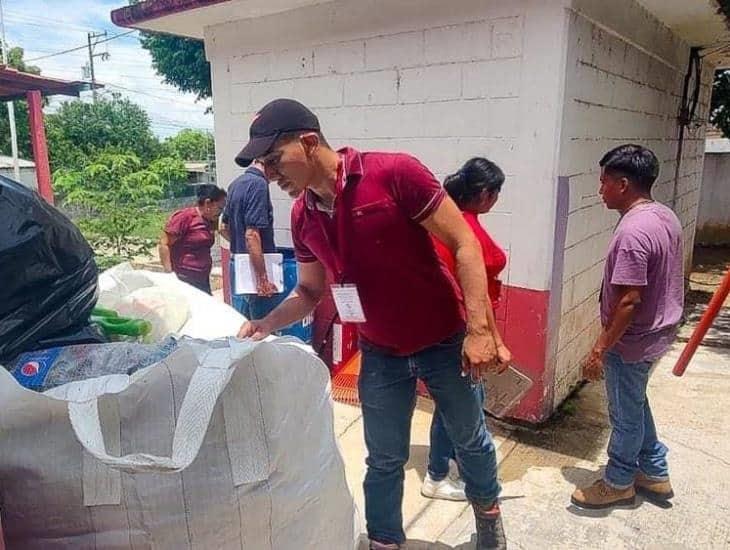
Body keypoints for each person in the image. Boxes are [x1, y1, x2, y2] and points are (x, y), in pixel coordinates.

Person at [236, 98, 508, 550]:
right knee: (383, 458)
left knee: (470, 439)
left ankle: (488, 517)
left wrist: (480, 330)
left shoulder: (393, 174)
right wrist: (268, 322)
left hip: (443, 339)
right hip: (380, 350)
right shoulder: (302, 215)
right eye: (263, 164)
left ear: (308, 142)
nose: (269, 172)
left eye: (273, 158)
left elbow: (464, 242)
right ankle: (385, 541)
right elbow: (309, 291)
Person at [571, 144, 683, 510]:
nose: (599, 189)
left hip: (633, 341)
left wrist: (599, 350)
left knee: (623, 413)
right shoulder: (664, 216)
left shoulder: (633, 233)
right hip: (657, 335)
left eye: (603, 182)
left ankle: (619, 480)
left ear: (623, 184)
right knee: (634, 403)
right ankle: (653, 470)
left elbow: (630, 301)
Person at [422, 158, 512, 502]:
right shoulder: (466, 229)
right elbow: (479, 294)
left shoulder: (444, 223)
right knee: (459, 402)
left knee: (460, 400)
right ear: (486, 194)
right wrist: (494, 339)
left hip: (452, 323)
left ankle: (454, 462)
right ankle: (437, 474)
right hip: (464, 328)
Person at [220, 158, 281, 319]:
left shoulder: (235, 184)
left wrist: (239, 248)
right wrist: (262, 279)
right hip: (257, 272)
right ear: (270, 164)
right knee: (262, 331)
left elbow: (223, 227)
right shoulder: (259, 185)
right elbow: (252, 234)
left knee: (242, 328)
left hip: (239, 268)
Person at [158, 184, 227, 294]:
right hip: (184, 277)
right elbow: (164, 244)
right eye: (219, 208)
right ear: (208, 203)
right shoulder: (185, 217)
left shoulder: (211, 220)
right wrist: (169, 273)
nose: (221, 212)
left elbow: (221, 231)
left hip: (202, 278)